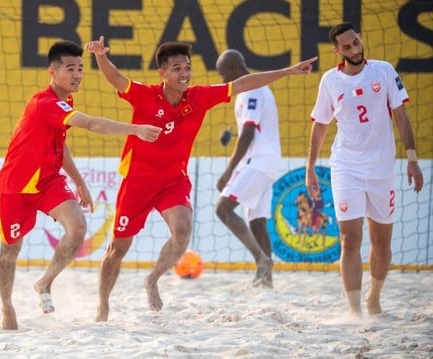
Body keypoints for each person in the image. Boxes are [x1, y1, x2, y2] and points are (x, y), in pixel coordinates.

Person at [86, 36, 317, 321]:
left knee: (183, 231)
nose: (184, 73)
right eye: (176, 68)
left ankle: (153, 279)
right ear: (162, 73)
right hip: (137, 182)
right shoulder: (145, 95)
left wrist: (288, 71)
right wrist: (99, 55)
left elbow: (243, 83)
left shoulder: (199, 97)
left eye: (187, 67)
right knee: (117, 250)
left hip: (173, 182)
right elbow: (117, 78)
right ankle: (103, 306)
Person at [0, 40, 162, 330]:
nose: (78, 74)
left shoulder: (65, 101)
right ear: (53, 71)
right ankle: (7, 308)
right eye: (70, 68)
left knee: (78, 227)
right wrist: (135, 129)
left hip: (47, 180)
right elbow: (92, 124)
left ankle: (45, 282)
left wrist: (80, 182)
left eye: (81, 69)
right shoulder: (43, 102)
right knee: (10, 252)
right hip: (16, 186)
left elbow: (61, 142)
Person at [306, 22, 424, 316]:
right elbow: (320, 126)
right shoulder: (330, 81)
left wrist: (412, 159)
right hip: (347, 165)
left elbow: (401, 116)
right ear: (337, 51)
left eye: (356, 42)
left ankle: (374, 297)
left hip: (382, 168)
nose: (355, 49)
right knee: (350, 238)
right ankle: (355, 311)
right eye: (347, 47)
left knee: (381, 243)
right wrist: (310, 168)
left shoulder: (383, 71)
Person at [214, 49, 282, 288]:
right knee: (257, 220)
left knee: (223, 209)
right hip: (268, 161)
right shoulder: (256, 90)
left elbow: (249, 133)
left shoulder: (251, 90)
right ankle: (267, 281)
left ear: (234, 69)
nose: (223, 81)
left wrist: (229, 170)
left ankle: (261, 260)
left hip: (259, 160)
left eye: (224, 75)